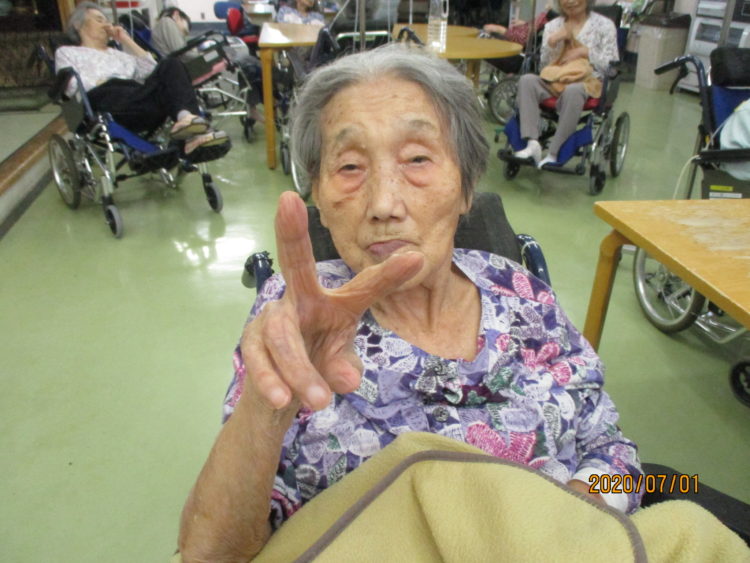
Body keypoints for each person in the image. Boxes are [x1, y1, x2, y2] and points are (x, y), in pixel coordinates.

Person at [176, 44, 642, 561]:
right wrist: (269, 405)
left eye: (417, 158)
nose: (383, 204)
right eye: (349, 166)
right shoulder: (293, 321)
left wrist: (573, 520)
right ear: (318, 200)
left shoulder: (520, 292)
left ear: (466, 187)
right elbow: (210, 554)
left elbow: (611, 451)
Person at [55, 2, 229, 156]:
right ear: (78, 25)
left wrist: (126, 40)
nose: (106, 25)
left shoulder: (117, 54)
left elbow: (153, 70)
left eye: (107, 21)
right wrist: (98, 82)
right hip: (105, 100)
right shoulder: (68, 52)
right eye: (99, 20)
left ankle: (187, 122)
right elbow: (70, 85)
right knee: (160, 77)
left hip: (136, 98)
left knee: (171, 64)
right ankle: (193, 132)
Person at [513, 0, 618, 167]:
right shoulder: (553, 26)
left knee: (573, 90)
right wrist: (552, 43)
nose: (570, 1)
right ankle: (532, 143)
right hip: (556, 80)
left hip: (588, 83)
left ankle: (554, 152)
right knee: (527, 81)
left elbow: (611, 65)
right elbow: (544, 67)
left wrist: (586, 52)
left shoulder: (605, 26)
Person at [151, 6, 265, 123]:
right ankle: (264, 92)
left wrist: (202, 53)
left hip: (185, 67)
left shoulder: (163, 25)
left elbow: (181, 52)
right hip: (187, 69)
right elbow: (181, 52)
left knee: (241, 59)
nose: (183, 33)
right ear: (176, 15)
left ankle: (257, 100)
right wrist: (203, 55)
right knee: (242, 59)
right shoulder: (167, 21)